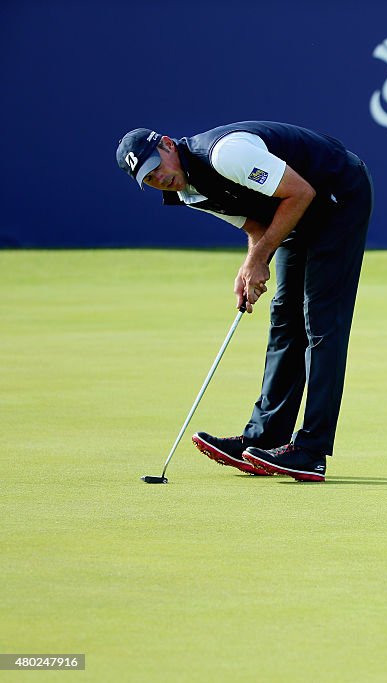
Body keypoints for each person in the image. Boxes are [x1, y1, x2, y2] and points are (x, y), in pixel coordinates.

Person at [116, 121, 373, 482]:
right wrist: (251, 265)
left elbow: (299, 192)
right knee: (285, 319)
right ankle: (265, 437)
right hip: (296, 208)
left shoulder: (226, 154)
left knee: (320, 320)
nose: (159, 178)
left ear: (169, 146)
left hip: (337, 192)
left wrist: (259, 258)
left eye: (157, 167)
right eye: (149, 178)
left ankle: (311, 451)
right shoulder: (189, 193)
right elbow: (256, 226)